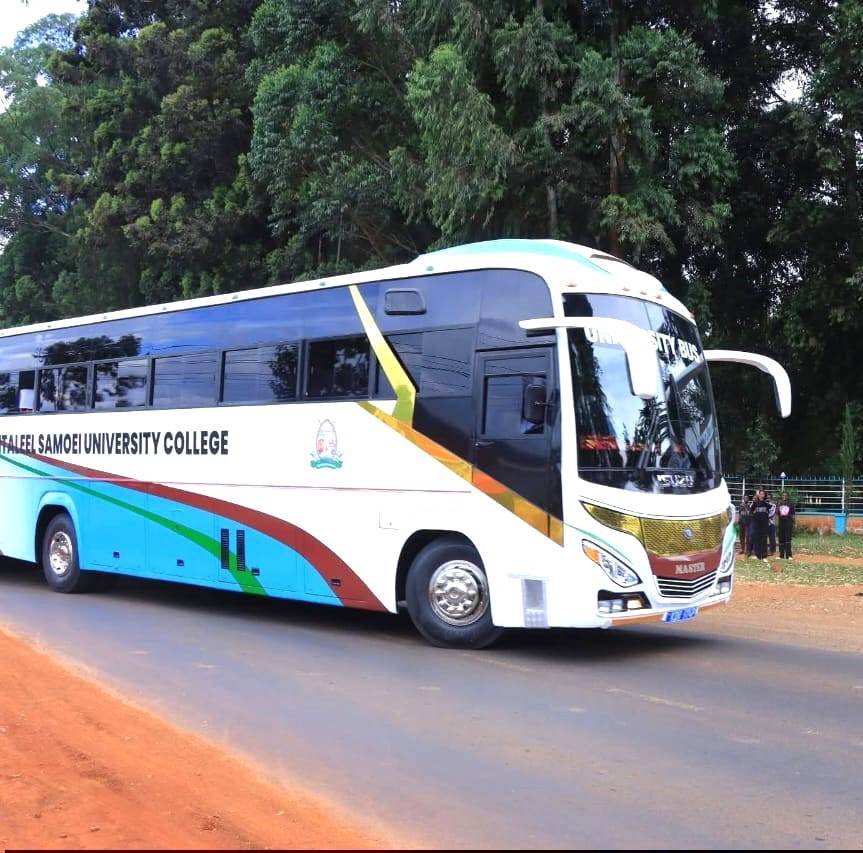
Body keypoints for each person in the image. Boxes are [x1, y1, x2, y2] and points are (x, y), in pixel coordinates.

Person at [748, 488, 771, 560]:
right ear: (758, 495)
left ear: (764, 495)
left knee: (764, 538)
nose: (762, 495)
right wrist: (754, 518)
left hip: (764, 523)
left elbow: (771, 511)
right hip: (756, 523)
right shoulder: (755, 503)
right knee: (757, 538)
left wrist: (768, 519)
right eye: (760, 494)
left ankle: (764, 555)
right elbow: (750, 512)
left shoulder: (766, 504)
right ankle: (757, 554)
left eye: (763, 494)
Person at [777, 491, 796, 559]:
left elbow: (793, 514)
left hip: (788, 522)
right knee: (781, 539)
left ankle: (789, 555)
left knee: (787, 539)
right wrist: (778, 506)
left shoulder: (790, 503)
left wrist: (794, 523)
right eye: (783, 495)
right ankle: (781, 555)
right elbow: (777, 513)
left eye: (785, 495)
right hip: (781, 522)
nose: (784, 496)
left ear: (788, 496)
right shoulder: (779, 503)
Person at [766, 490, 777, 556]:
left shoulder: (773, 505)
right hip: (764, 524)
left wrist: (764, 516)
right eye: (767, 497)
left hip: (771, 523)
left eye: (769, 497)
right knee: (764, 537)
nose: (768, 498)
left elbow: (772, 514)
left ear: (771, 498)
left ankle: (772, 550)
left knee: (772, 537)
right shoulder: (764, 504)